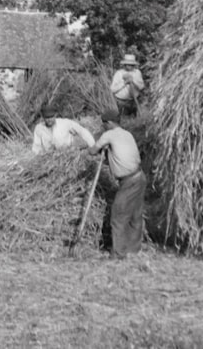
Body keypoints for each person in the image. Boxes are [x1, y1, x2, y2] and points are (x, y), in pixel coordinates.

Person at [88, 109, 145, 258]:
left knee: (118, 215)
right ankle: (133, 250)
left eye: (104, 124)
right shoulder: (127, 134)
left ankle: (119, 253)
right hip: (140, 176)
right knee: (135, 215)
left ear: (109, 123)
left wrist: (95, 148)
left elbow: (93, 151)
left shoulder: (109, 135)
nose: (103, 127)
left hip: (129, 181)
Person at [31, 105, 95, 154]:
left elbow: (82, 131)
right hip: (50, 156)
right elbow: (36, 146)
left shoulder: (65, 123)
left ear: (55, 115)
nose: (49, 120)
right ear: (43, 117)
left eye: (51, 117)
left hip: (68, 153)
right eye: (47, 118)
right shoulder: (39, 128)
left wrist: (93, 146)